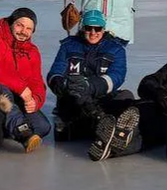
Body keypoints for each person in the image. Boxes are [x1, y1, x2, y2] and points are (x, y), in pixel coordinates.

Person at [46, 9, 136, 159]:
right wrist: (63, 84)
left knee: (127, 97)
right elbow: (55, 72)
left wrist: (91, 86)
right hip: (74, 100)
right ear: (82, 28)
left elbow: (117, 76)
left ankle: (107, 131)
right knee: (76, 96)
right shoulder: (68, 45)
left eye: (98, 28)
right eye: (88, 28)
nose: (93, 32)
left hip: (101, 98)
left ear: (103, 28)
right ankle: (101, 128)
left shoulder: (116, 48)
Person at [0, 7, 50, 152]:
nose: (23, 31)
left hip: (16, 96)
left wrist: (36, 100)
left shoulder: (32, 51)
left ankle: (4, 128)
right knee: (3, 90)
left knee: (42, 127)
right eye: (20, 25)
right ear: (11, 23)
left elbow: (37, 81)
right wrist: (20, 87)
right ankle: (23, 133)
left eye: (28, 28)